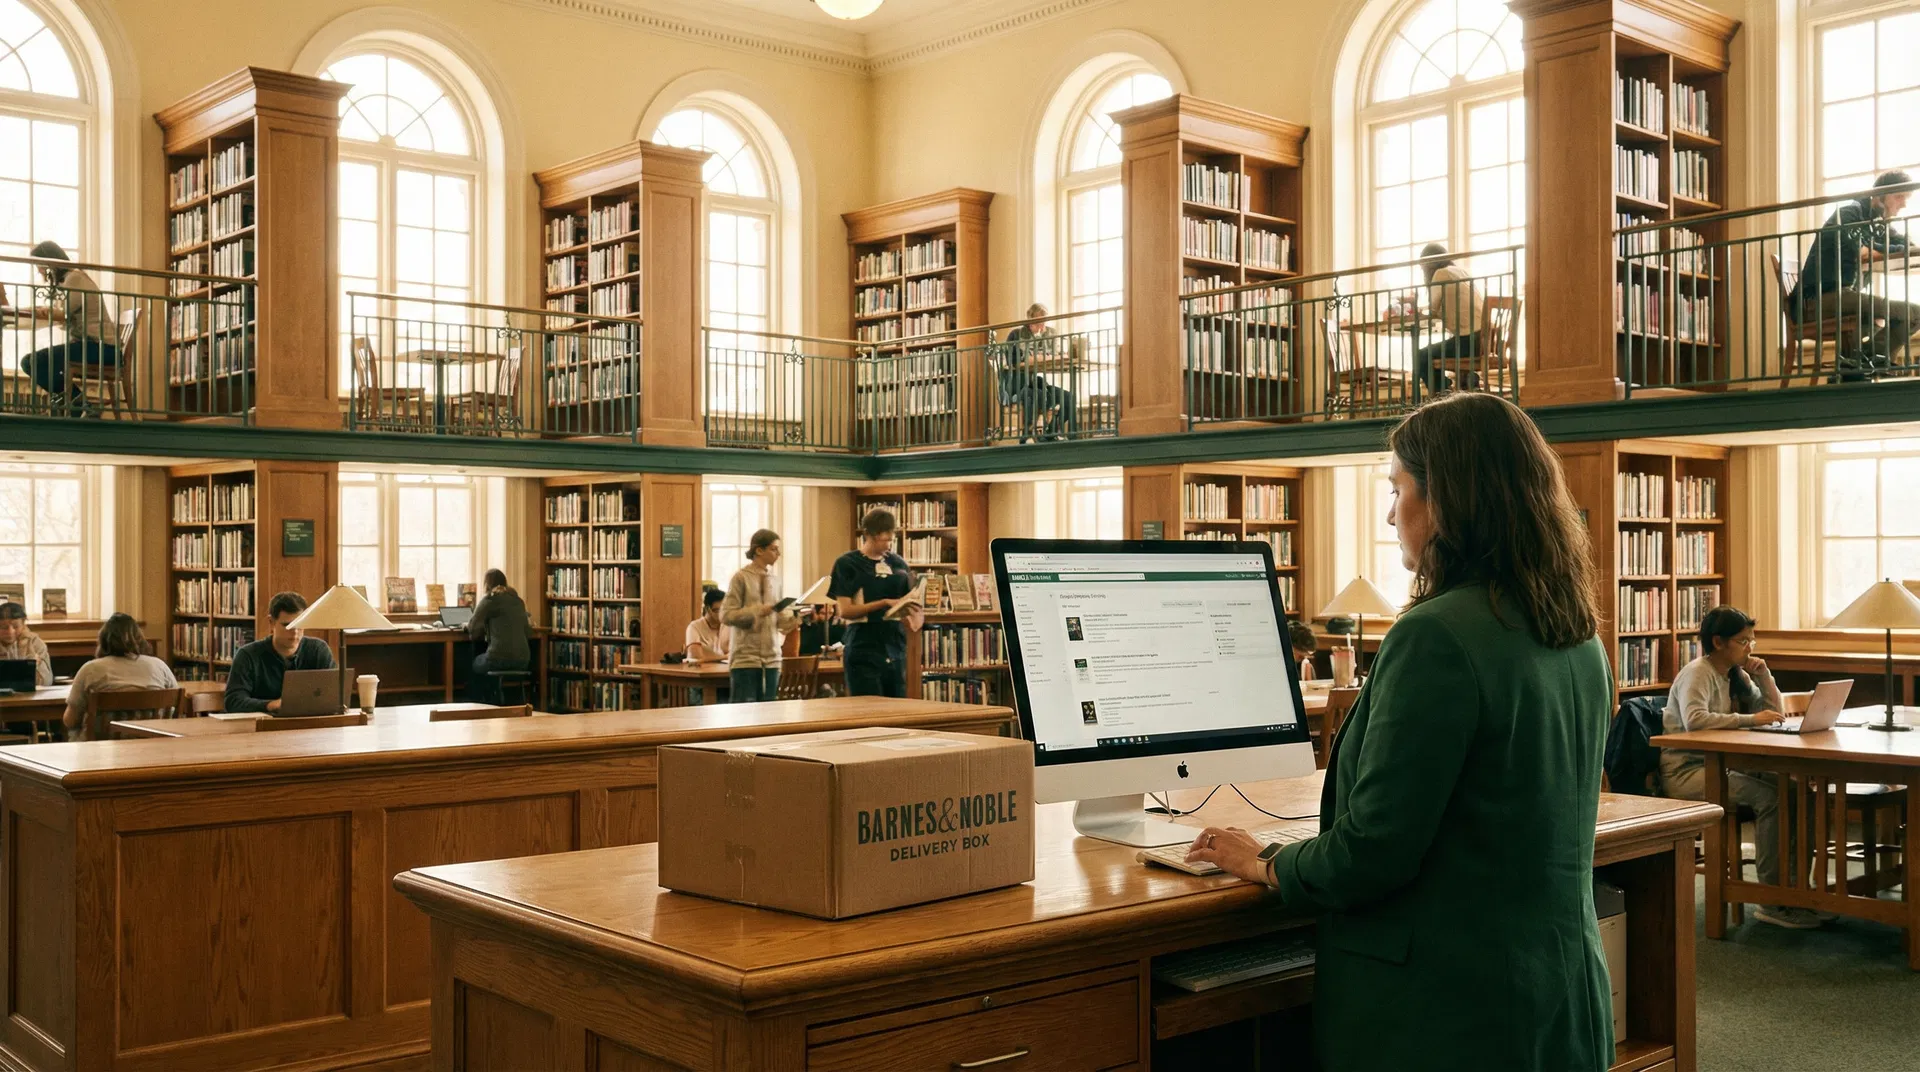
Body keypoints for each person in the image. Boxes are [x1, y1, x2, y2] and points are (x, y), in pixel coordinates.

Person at [1183, 392, 1615, 1071]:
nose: (1391, 512)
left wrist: (1265, 861)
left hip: (1447, 1012)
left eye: (1398, 488)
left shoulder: (1438, 635)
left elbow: (1374, 852)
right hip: (1555, 989)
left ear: (1446, 498)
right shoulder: (1575, 632)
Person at [1659, 606, 1822, 929]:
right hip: (1687, 771)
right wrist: (1749, 719)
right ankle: (1771, 899)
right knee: (1771, 798)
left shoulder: (1737, 674)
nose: (1749, 648)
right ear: (1718, 642)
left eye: (1752, 641)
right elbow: (1695, 719)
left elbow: (1773, 713)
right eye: (1743, 641)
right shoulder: (1699, 672)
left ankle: (1796, 890)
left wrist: (1764, 675)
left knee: (1797, 789)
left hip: (1724, 765)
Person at [1791, 169, 1917, 375]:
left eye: (1906, 197)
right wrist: (1888, 247)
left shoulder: (1877, 223)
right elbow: (1863, 252)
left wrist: (1887, 242)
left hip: (1844, 297)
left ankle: (1857, 364)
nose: (1903, 203)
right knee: (1913, 314)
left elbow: (1907, 245)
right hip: (1816, 300)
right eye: (1899, 196)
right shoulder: (1850, 213)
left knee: (1893, 319)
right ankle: (1862, 364)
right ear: (1878, 196)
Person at [15, 241, 118, 417]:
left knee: (32, 362)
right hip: (91, 345)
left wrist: (42, 310)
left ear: (49, 262)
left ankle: (79, 405)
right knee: (32, 361)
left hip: (101, 348)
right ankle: (78, 405)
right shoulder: (68, 280)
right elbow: (61, 312)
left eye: (39, 265)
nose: (39, 270)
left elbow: (62, 312)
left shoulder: (75, 278)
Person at [830, 508, 925, 697]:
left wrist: (914, 613)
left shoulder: (898, 564)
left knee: (897, 706)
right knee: (869, 707)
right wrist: (883, 603)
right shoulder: (847, 564)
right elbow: (846, 611)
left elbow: (910, 599)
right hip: (863, 644)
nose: (889, 545)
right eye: (884, 539)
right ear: (869, 535)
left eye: (891, 539)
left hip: (894, 644)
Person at [720, 529, 804, 703]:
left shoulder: (775, 580)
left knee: (769, 712)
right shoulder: (741, 577)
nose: (778, 554)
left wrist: (794, 617)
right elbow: (726, 615)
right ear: (759, 550)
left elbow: (779, 623)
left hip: (772, 658)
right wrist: (757, 611)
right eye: (774, 549)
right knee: (744, 712)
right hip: (746, 658)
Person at [63, 614, 176, 741]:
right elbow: (174, 711)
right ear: (140, 638)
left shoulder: (90, 670)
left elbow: (70, 720)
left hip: (101, 751)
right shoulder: (160, 666)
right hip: (151, 747)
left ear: (103, 640)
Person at [224, 591, 337, 714]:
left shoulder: (318, 650)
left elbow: (334, 694)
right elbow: (233, 701)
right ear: (271, 622)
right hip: (262, 728)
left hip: (310, 726)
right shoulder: (248, 655)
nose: (295, 632)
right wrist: (270, 705)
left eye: (300, 625)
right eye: (287, 625)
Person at [1411, 243, 1485, 397]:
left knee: (1422, 355)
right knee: (1441, 349)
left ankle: (1442, 393)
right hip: (1483, 341)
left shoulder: (1441, 274)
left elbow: (1432, 309)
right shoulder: (1460, 271)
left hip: (1468, 342)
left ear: (1428, 264)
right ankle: (1468, 382)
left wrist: (1416, 310)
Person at [1000, 303, 1077, 441]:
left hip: (1036, 381)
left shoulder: (1049, 333)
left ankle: (1052, 431)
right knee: (1037, 393)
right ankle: (1031, 433)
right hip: (1018, 384)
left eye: (1044, 320)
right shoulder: (1016, 334)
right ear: (1030, 320)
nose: (1042, 324)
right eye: (1039, 321)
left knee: (1068, 397)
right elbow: (1013, 361)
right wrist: (1038, 357)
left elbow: (1061, 355)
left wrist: (1038, 357)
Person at [467, 569, 532, 704]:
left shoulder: (490, 600)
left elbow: (472, 627)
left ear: (487, 584)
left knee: (473, 663)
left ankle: (478, 704)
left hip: (498, 659)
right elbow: (528, 632)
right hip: (523, 660)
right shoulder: (518, 601)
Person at [0, 602, 52, 686]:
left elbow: (46, 682)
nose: (10, 632)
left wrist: (37, 665)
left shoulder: (35, 643)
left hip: (30, 695)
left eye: (16, 626)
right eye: (3, 627)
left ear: (23, 624)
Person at [684, 587, 731, 662]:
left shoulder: (728, 626)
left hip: (725, 672)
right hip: (703, 671)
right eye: (718, 610)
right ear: (707, 609)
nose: (723, 614)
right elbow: (695, 656)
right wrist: (724, 657)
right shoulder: (694, 627)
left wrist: (707, 655)